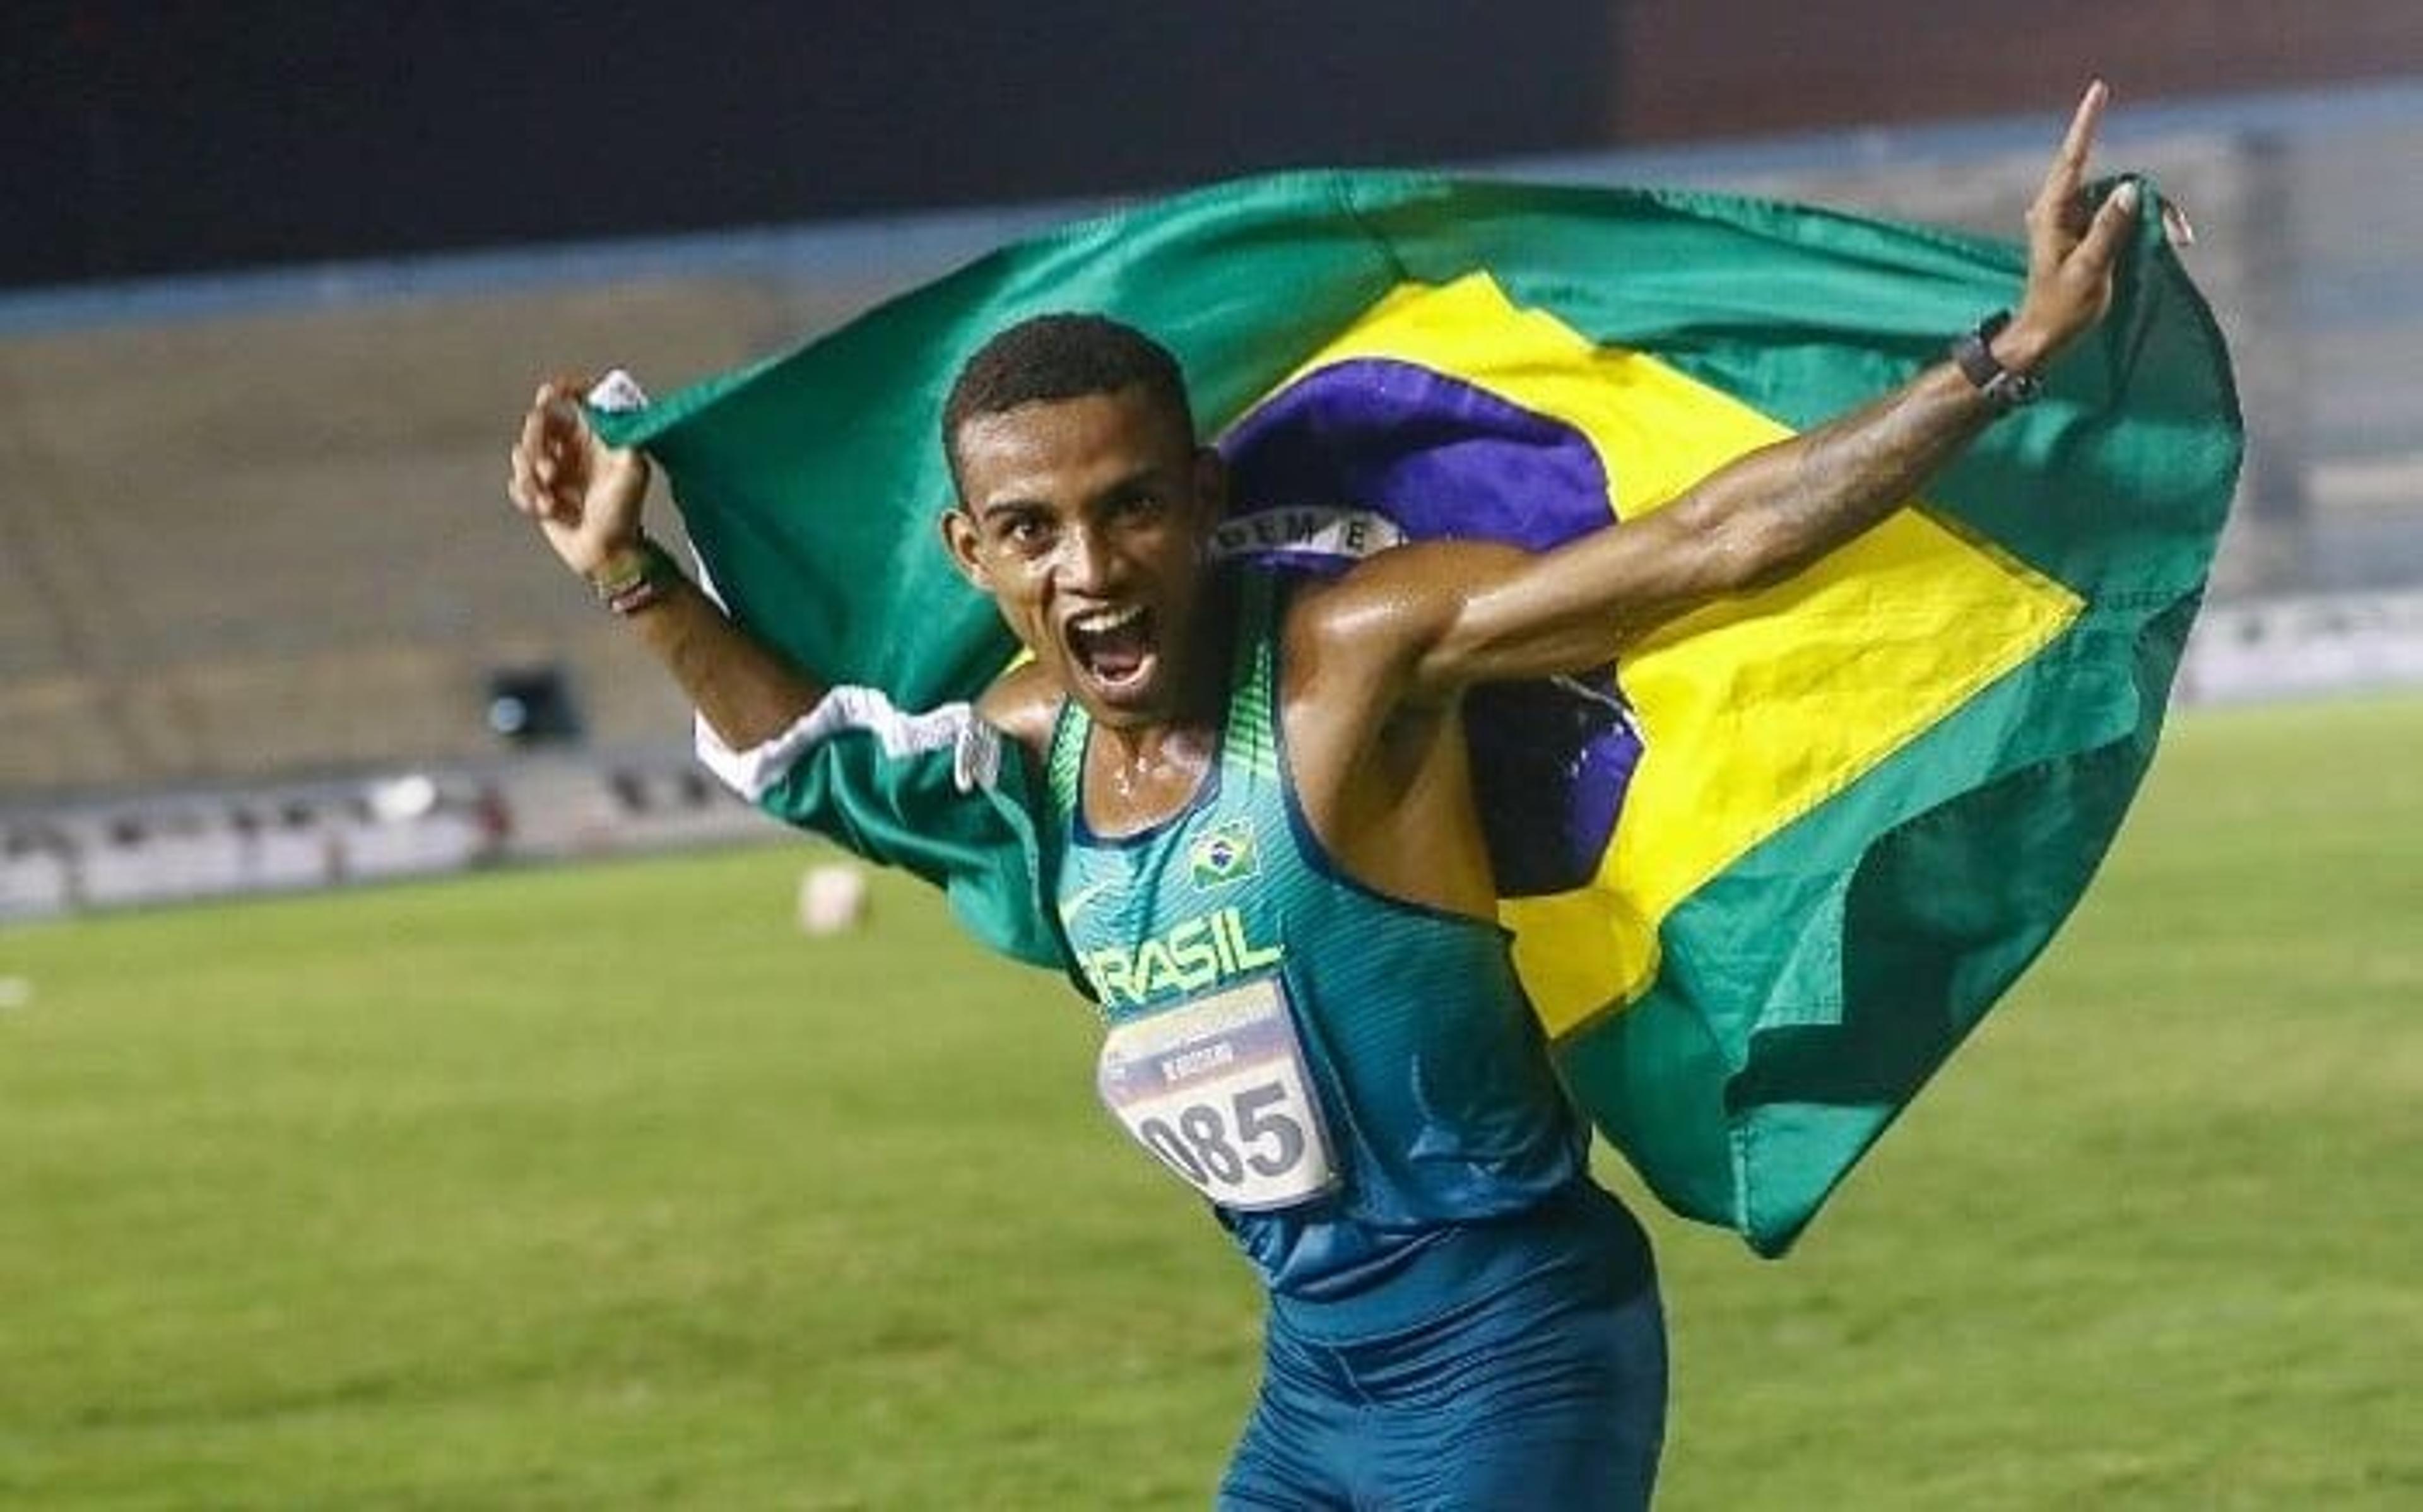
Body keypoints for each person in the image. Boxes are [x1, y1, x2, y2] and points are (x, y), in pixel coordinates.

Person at [509, 81, 2137, 1510]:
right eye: (1035, 532)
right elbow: (829, 767)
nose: (1093, 569)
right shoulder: (1029, 751)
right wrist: (638, 580)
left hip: (1517, 1352)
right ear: (974, 554)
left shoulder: (1353, 668)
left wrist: (2006, 357)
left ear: (1203, 499)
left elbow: (1707, 546)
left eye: (1131, 506)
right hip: (1313, 1393)